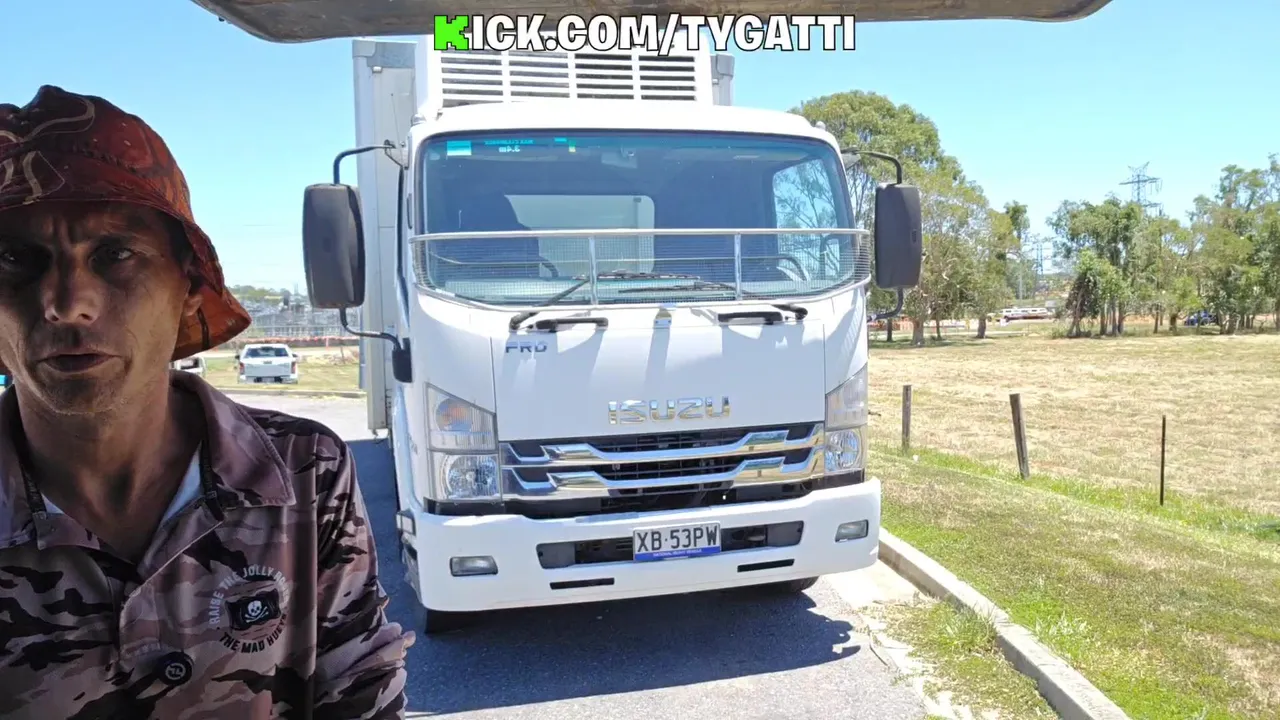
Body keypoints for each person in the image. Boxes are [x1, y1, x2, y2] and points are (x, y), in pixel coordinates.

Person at [0, 85, 414, 718]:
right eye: (14, 259)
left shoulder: (303, 471)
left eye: (115, 255)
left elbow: (359, 692)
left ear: (189, 286)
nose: (65, 303)